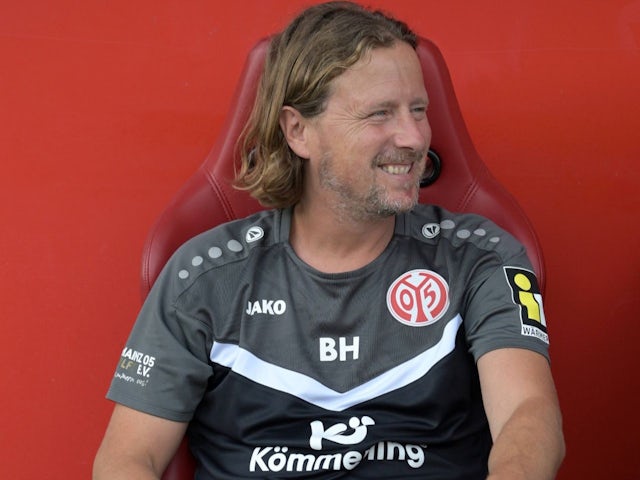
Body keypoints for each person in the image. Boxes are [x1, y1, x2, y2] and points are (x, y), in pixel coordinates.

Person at [93, 2, 565, 478]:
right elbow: (128, 459)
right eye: (380, 113)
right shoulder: (201, 274)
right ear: (298, 131)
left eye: (417, 110)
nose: (413, 136)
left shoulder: (482, 256)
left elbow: (529, 413)